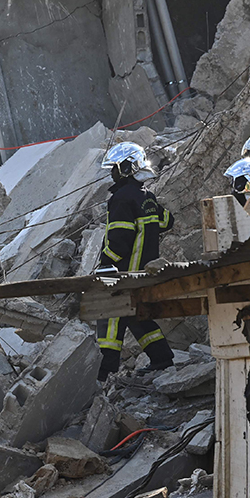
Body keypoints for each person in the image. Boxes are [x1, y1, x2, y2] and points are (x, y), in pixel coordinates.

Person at [96, 142, 175, 381]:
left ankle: (104, 371)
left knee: (109, 315)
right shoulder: (146, 196)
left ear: (127, 168)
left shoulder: (121, 198)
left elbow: (119, 239)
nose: (112, 173)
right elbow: (167, 222)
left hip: (123, 271)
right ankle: (162, 358)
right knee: (136, 314)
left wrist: (105, 264)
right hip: (144, 271)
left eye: (115, 168)